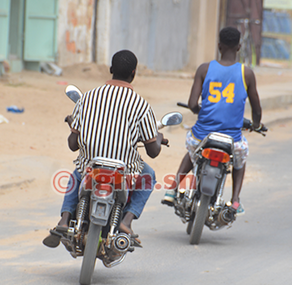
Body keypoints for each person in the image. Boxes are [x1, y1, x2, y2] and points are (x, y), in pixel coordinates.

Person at [43, 50, 166, 248]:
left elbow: (73, 145)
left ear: (110, 70)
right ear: (134, 73)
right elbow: (153, 151)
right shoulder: (141, 106)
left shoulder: (87, 99)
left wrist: (73, 126)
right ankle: (126, 222)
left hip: (92, 165)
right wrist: (157, 138)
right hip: (124, 169)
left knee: (77, 173)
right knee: (148, 175)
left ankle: (64, 220)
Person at [161, 27, 262, 215]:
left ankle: (173, 189)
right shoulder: (246, 73)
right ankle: (235, 201)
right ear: (239, 47)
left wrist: (202, 111)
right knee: (240, 160)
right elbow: (256, 108)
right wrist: (256, 125)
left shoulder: (204, 69)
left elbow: (192, 104)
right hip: (231, 138)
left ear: (219, 46)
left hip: (202, 134)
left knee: (192, 153)